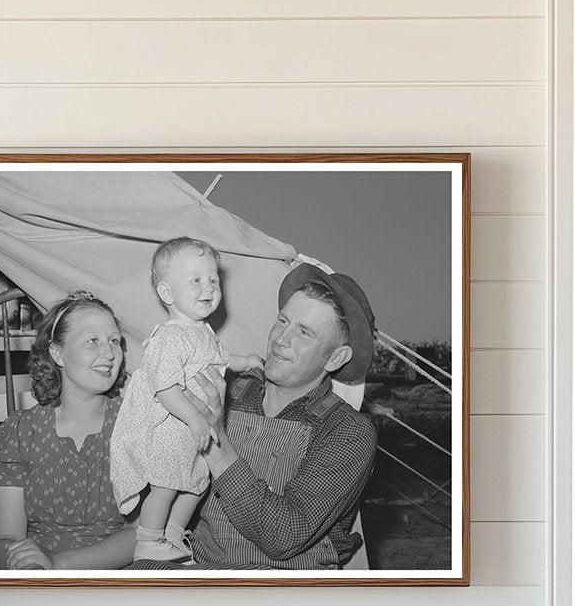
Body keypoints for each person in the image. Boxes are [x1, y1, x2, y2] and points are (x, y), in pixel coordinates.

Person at [185, 262, 379, 570]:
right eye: (283, 321)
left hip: (286, 591)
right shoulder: (229, 393)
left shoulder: (348, 431)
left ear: (335, 357)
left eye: (304, 333)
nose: (281, 339)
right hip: (202, 571)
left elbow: (284, 535)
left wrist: (215, 439)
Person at [109, 237, 263, 563]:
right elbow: (163, 387)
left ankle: (174, 536)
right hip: (172, 425)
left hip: (193, 431)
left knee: (195, 486)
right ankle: (148, 540)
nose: (207, 287)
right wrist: (194, 418)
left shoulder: (203, 332)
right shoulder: (169, 336)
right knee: (165, 485)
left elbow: (220, 358)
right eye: (195, 280)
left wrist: (245, 360)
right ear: (167, 293)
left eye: (213, 280)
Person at [0, 291, 135, 571]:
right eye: (93, 341)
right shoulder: (21, 431)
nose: (109, 353)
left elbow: (140, 534)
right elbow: (4, 537)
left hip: (118, 572)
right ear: (57, 353)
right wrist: (25, 567)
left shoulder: (133, 427)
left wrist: (57, 564)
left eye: (114, 341)